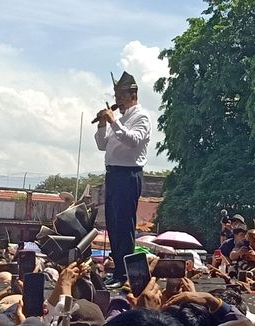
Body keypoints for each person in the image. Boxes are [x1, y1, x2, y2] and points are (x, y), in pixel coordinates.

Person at [94, 71, 152, 288]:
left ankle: (125, 274)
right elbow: (102, 144)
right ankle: (118, 269)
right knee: (113, 224)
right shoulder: (121, 119)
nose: (117, 99)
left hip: (128, 175)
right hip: (113, 174)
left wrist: (114, 121)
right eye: (116, 95)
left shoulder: (141, 117)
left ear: (132, 94)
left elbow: (132, 140)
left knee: (124, 225)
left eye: (121, 95)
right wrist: (102, 124)